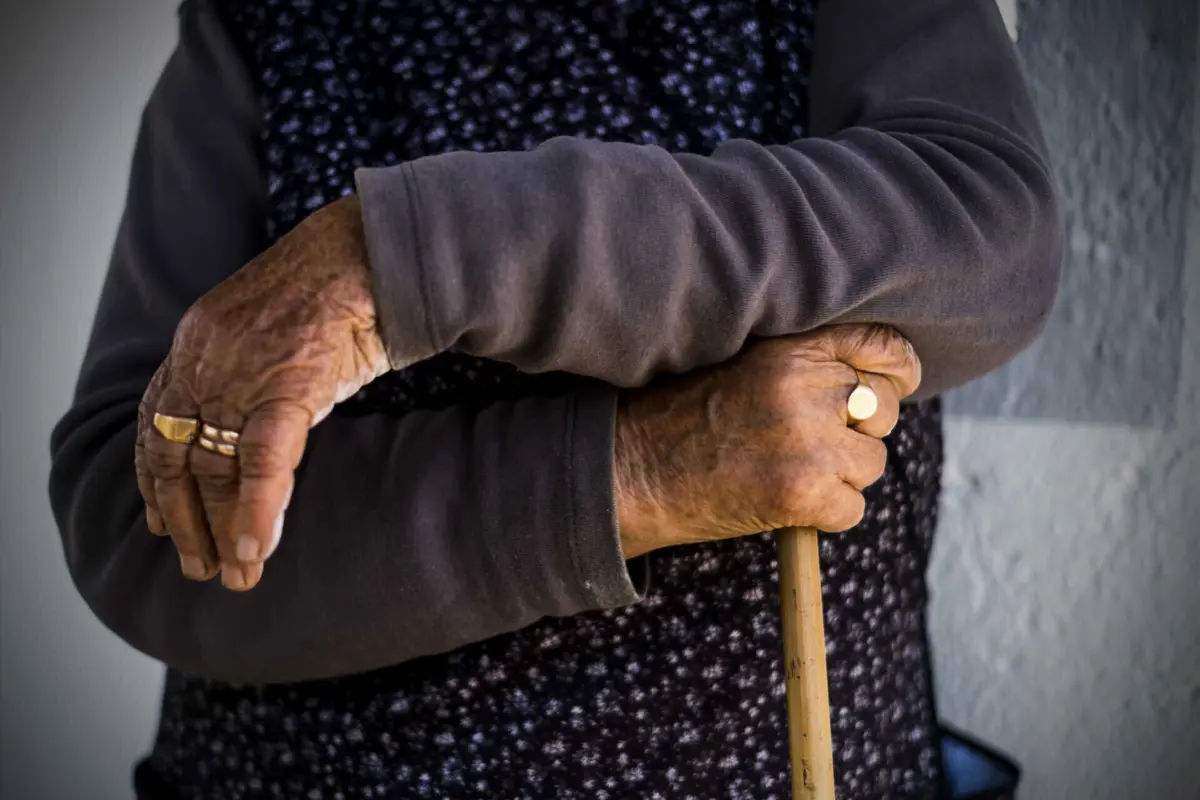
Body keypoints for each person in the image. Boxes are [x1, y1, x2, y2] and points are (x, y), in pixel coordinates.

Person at [48, 0, 1062, 796]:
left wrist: (397, 261)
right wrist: (631, 474)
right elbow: (141, 512)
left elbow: (983, 237)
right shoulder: (269, 22)